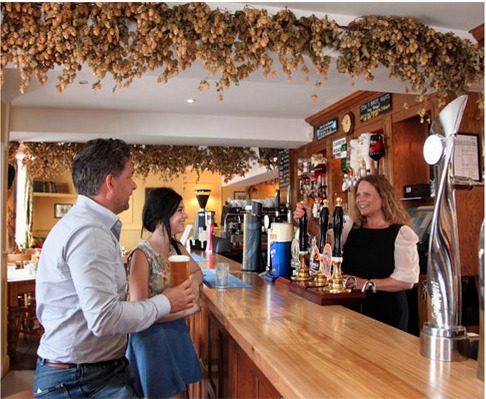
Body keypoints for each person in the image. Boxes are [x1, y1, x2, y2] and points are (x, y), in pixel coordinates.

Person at [34, 139, 195, 399]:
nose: (133, 185)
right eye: (130, 176)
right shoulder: (89, 232)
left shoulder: (88, 227)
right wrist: (166, 302)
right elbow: (103, 318)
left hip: (91, 372)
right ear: (110, 182)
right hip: (81, 380)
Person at [294, 174, 419, 331]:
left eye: (367, 194)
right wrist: (307, 222)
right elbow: (327, 242)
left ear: (384, 198)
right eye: (358, 195)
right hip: (352, 309)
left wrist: (366, 283)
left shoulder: (401, 233)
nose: (360, 199)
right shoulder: (352, 228)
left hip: (387, 313)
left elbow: (406, 281)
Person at [126, 187, 204, 398]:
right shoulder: (142, 254)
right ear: (162, 214)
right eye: (179, 210)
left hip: (175, 334)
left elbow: (198, 272)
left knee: (182, 394)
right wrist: (182, 312)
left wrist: (194, 285)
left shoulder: (176, 247)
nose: (186, 215)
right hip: (151, 340)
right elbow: (138, 311)